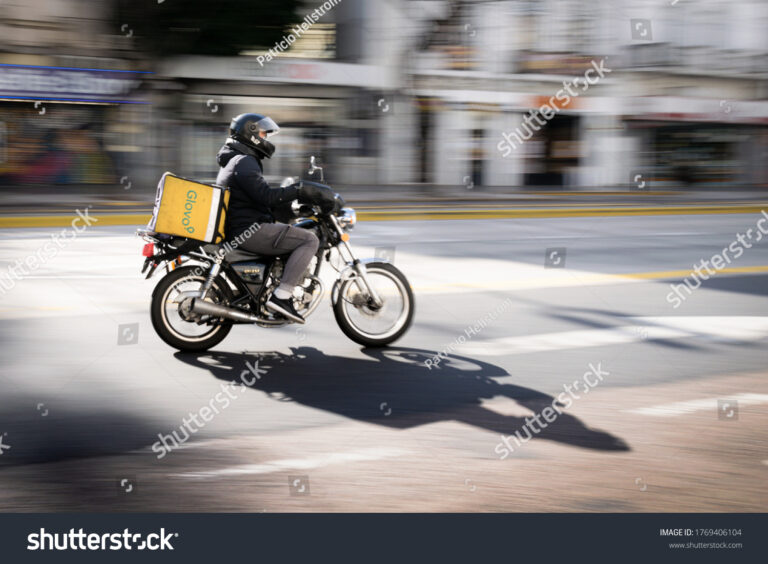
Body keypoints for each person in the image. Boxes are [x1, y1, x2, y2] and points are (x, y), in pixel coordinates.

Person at [216, 113, 335, 324]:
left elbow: (256, 198)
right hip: (248, 230)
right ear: (250, 133)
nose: (266, 139)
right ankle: (281, 297)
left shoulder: (236, 160)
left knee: (290, 232)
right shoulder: (245, 161)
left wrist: (286, 207)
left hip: (242, 227)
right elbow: (266, 196)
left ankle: (273, 293)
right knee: (309, 240)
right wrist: (298, 190)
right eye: (263, 133)